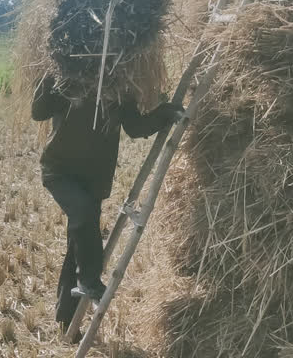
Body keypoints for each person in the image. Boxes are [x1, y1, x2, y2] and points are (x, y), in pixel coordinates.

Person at [31, 75, 183, 335]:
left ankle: (66, 320)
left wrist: (166, 112)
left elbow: (136, 127)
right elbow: (39, 112)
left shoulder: (120, 86)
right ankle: (89, 280)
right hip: (59, 171)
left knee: (78, 242)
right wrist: (48, 74)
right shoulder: (67, 77)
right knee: (83, 214)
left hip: (93, 180)